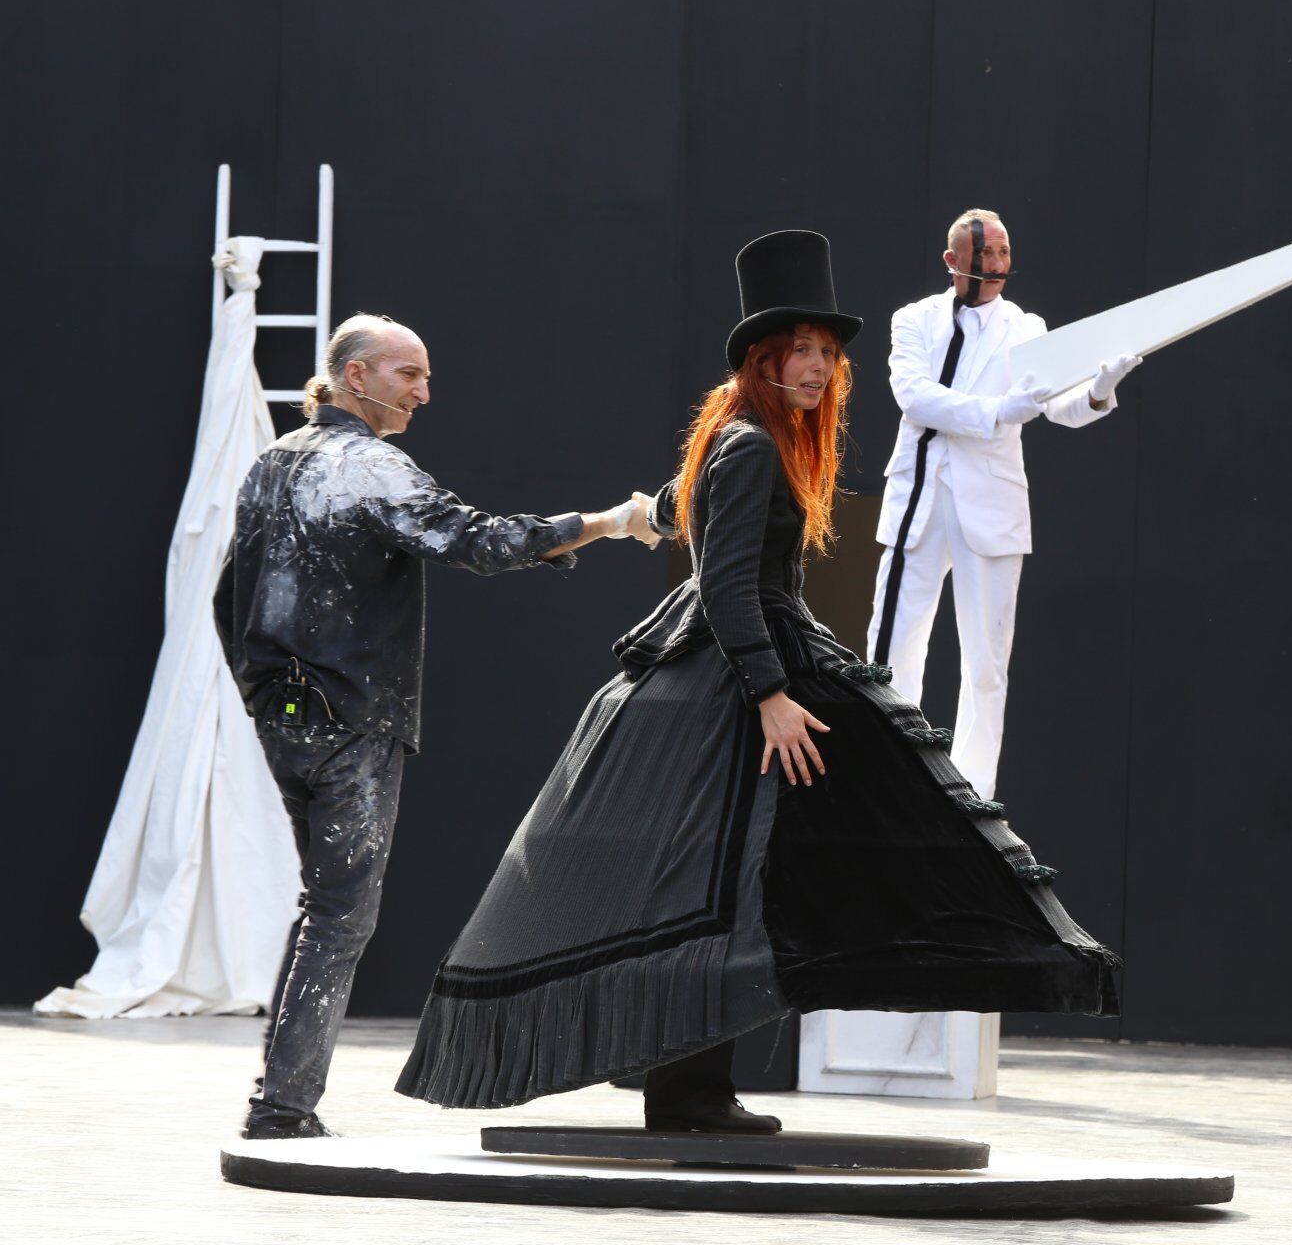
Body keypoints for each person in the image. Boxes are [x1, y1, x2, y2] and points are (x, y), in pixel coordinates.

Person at [396, 231, 1119, 1132]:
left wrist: (633, 517)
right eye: (800, 350)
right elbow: (729, 583)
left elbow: (682, 510)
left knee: (722, 879)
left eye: (827, 352)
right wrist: (771, 695)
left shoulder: (743, 439)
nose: (818, 367)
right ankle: (687, 1088)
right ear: (763, 360)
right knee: (728, 876)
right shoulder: (750, 446)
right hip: (738, 675)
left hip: (736, 665)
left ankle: (685, 1083)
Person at [213, 314, 650, 1139]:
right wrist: (605, 522)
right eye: (407, 374)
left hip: (286, 720)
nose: (422, 392)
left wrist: (262, 694)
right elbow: (480, 541)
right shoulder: (372, 467)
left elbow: (227, 595)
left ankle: (282, 1098)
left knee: (326, 906)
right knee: (340, 913)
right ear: (356, 377)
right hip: (351, 719)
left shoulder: (273, 461)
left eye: (424, 376)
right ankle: (280, 1108)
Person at [868, 209, 1142, 798]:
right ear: (953, 261)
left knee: (987, 663)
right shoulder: (914, 319)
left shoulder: (1026, 327)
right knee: (893, 648)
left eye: (1002, 252)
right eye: (984, 254)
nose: (995, 265)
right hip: (918, 497)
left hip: (990, 505)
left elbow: (1057, 406)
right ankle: (887, 778)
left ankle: (970, 793)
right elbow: (914, 397)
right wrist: (997, 412)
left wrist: (1098, 391)